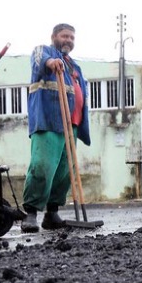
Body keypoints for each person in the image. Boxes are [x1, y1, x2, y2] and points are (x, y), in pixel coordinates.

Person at [21, 23, 91, 232]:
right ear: (54, 36)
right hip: (49, 120)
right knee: (42, 166)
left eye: (72, 37)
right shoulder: (44, 51)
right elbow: (38, 61)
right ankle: (30, 213)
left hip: (72, 125)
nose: (68, 40)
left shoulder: (74, 66)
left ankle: (52, 213)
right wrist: (50, 62)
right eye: (64, 36)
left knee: (64, 173)